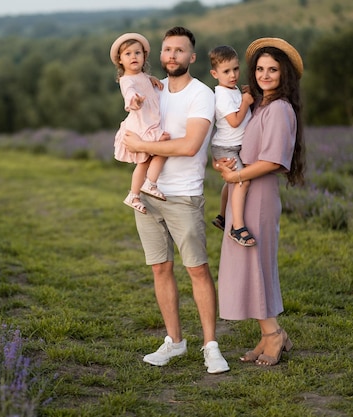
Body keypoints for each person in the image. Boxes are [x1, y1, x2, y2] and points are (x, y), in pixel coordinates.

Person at [122, 26, 229, 374]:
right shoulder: (152, 87)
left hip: (183, 194)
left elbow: (189, 146)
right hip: (148, 196)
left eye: (179, 51)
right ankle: (175, 342)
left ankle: (211, 346)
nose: (172, 56)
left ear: (191, 57)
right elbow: (134, 119)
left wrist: (141, 147)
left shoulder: (201, 95)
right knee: (160, 268)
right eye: (167, 50)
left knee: (197, 269)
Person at [214, 37, 305, 366]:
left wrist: (237, 177)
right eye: (261, 69)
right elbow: (242, 148)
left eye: (273, 70)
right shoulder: (260, 105)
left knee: (256, 263)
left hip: (260, 193)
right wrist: (227, 165)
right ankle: (270, 334)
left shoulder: (279, 109)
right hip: (246, 186)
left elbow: (275, 161)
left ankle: (274, 336)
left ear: (284, 75)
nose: (265, 75)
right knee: (249, 263)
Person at [110, 33, 170, 215]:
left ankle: (133, 195)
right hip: (141, 125)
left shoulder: (143, 76)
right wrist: (134, 100)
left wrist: (151, 80)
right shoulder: (126, 80)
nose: (133, 57)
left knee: (143, 162)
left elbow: (143, 82)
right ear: (120, 60)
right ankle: (150, 184)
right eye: (127, 54)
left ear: (144, 57)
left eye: (137, 53)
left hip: (147, 123)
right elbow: (129, 92)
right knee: (165, 145)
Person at [208, 45, 255, 247]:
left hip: (232, 146)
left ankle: (221, 216)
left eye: (236, 69)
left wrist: (243, 95)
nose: (233, 75)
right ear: (214, 74)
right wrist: (245, 102)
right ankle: (237, 227)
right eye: (226, 71)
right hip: (227, 148)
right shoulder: (221, 95)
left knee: (230, 184)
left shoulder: (232, 90)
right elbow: (235, 121)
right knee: (242, 182)